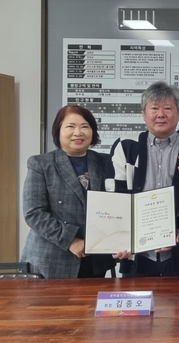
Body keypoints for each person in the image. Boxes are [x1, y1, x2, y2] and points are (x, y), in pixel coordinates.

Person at [106, 81, 179, 276]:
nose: (161, 114)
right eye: (154, 108)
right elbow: (114, 197)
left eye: (168, 108)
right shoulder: (126, 146)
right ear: (143, 113)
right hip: (137, 252)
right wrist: (121, 238)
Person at [21, 105, 117, 279]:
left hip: (96, 259)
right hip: (52, 259)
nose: (78, 132)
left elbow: (117, 205)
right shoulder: (40, 164)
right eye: (70, 126)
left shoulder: (106, 162)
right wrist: (71, 240)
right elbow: (33, 213)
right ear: (58, 130)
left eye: (85, 126)